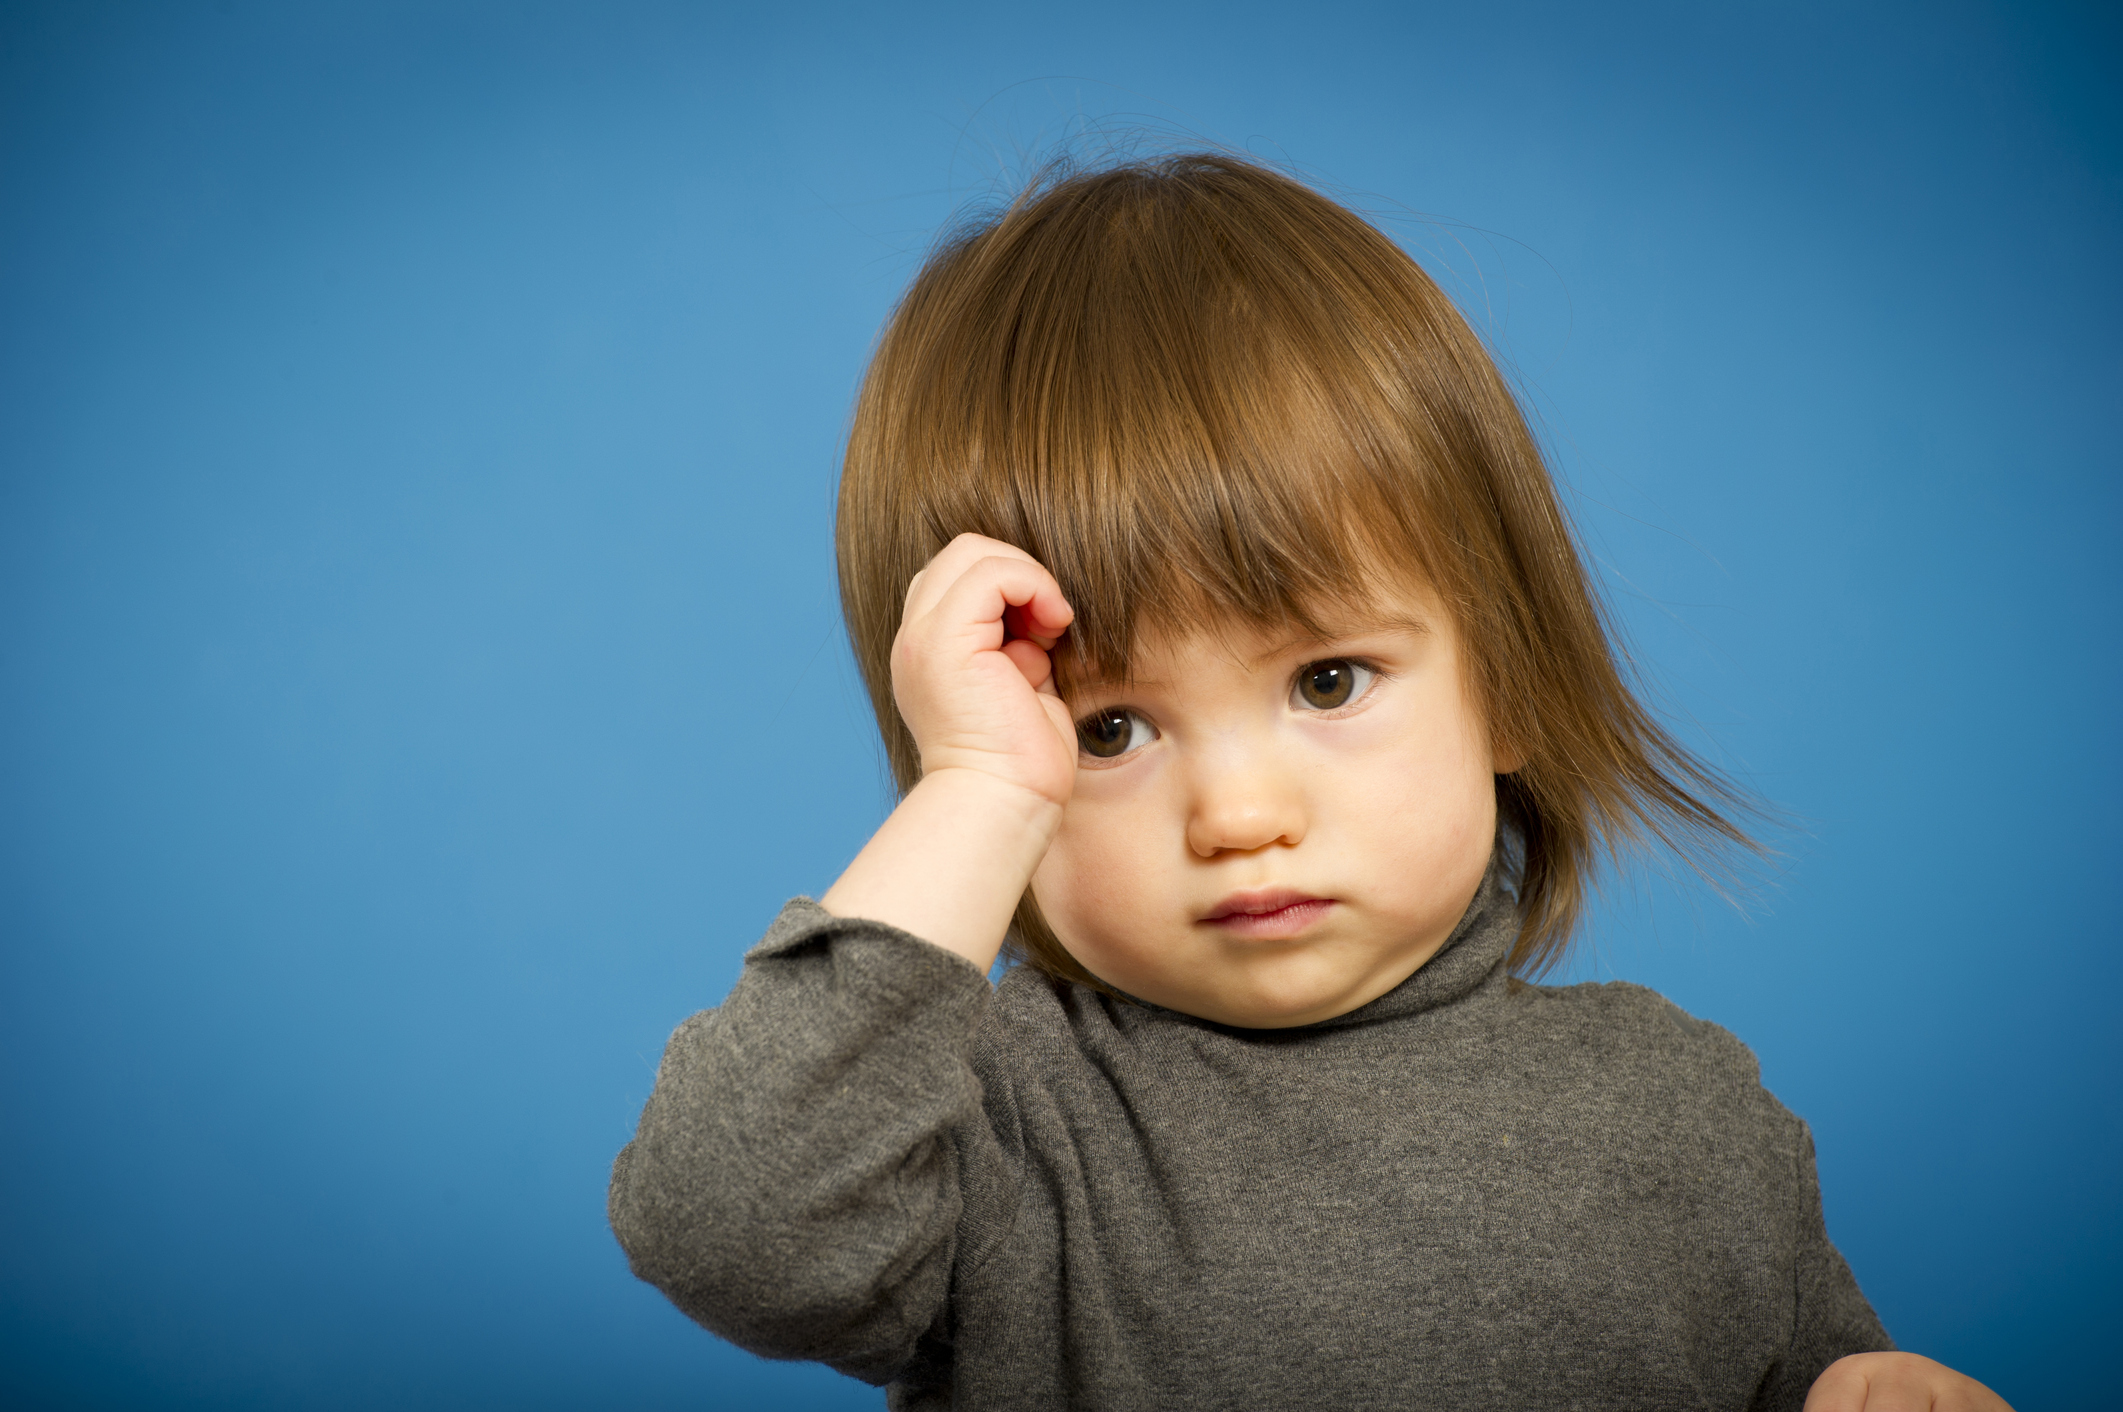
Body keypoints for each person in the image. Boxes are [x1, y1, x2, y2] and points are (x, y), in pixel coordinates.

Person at [607, 152, 2011, 1411]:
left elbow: (1815, 1372)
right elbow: (726, 1230)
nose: (1238, 818)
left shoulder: (1690, 1114)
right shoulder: (989, 1134)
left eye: (1327, 682)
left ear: (1507, 677)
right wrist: (974, 787)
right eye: (1106, 733)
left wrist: (1871, 1386)